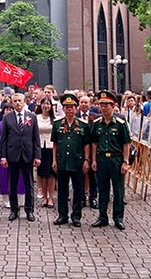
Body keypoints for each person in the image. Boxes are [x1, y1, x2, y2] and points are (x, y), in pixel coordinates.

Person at [90, 91, 131, 230]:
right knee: (103, 189)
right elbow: (94, 143)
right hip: (101, 159)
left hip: (116, 159)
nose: (102, 108)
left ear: (113, 106)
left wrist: (125, 161)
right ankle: (102, 217)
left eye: (105, 105)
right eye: (100, 105)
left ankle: (118, 218)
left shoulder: (120, 123)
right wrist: (94, 160)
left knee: (118, 190)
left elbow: (126, 143)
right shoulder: (97, 123)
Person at [0, 93, 41, 222]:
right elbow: (4, 139)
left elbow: (36, 138)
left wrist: (37, 156)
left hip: (27, 155)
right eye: (15, 101)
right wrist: (3, 157)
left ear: (24, 102)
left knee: (29, 184)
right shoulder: (7, 117)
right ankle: (14, 210)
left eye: (20, 100)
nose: (17, 103)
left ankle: (29, 210)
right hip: (12, 155)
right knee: (12, 183)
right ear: (12, 102)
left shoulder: (31, 117)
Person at [51, 94, 90, 228]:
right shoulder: (57, 124)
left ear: (76, 108)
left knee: (78, 190)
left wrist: (86, 160)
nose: (69, 110)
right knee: (62, 190)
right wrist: (54, 160)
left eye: (72, 107)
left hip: (77, 161)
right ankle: (62, 215)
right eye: (67, 107)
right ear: (63, 108)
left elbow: (86, 144)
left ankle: (76, 216)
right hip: (62, 161)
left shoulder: (83, 125)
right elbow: (55, 144)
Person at [0, 104, 25, 208]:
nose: (8, 111)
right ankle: (7, 199)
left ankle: (21, 198)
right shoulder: (0, 124)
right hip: (5, 152)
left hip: (19, 152)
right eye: (6, 110)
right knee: (5, 176)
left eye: (10, 109)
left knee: (20, 176)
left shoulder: (20, 122)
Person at [77, 96, 98, 208]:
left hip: (92, 150)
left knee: (92, 176)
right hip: (78, 151)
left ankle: (93, 198)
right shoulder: (74, 117)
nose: (84, 104)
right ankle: (81, 199)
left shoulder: (96, 117)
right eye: (82, 102)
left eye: (86, 102)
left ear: (90, 104)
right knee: (79, 176)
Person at [35, 97, 56, 209]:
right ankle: (44, 196)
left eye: (48, 104)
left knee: (51, 174)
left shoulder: (55, 118)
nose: (46, 106)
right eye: (44, 104)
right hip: (39, 148)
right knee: (42, 174)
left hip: (51, 147)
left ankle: (51, 197)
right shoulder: (35, 118)